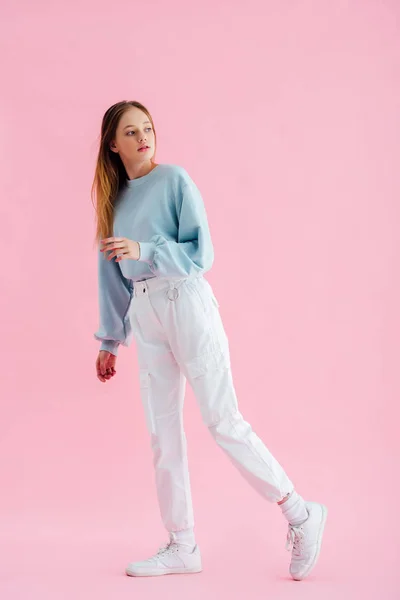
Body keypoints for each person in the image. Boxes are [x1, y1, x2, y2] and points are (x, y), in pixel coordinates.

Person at [92, 100, 328, 581]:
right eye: (131, 132)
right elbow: (111, 275)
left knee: (223, 420)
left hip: (186, 301)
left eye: (148, 128)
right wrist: (111, 340)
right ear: (113, 144)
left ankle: (301, 513)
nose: (143, 137)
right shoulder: (112, 202)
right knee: (163, 434)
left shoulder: (174, 180)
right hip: (146, 309)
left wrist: (145, 249)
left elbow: (202, 253)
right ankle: (182, 545)